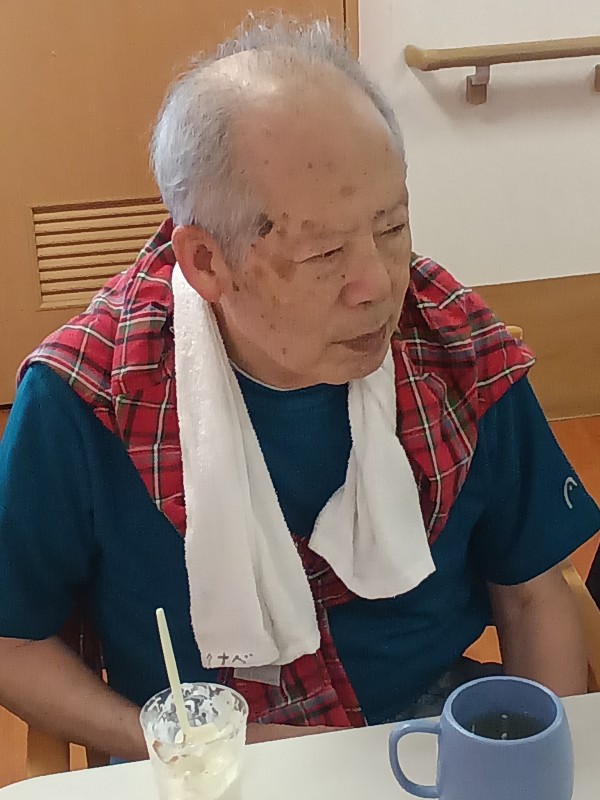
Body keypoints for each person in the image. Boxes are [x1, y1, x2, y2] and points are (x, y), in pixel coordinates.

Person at [1, 16, 599, 762]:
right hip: (199, 750)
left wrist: (535, 770)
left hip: (422, 725)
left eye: (392, 226)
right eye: (322, 253)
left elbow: (534, 593)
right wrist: (189, 744)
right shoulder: (90, 395)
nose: (378, 284)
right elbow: (12, 641)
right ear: (206, 262)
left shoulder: (453, 342)